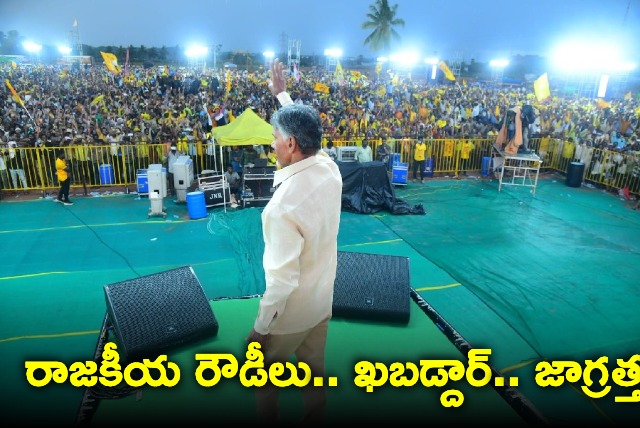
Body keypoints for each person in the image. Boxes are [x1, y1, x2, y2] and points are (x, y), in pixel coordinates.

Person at [246, 58, 342, 425]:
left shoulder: (281, 207)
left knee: (264, 380)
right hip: (321, 302)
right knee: (315, 375)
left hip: (288, 317)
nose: (272, 146)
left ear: (290, 144)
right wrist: (281, 95)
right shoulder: (328, 170)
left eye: (275, 139)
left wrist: (260, 328)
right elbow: (307, 131)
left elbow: (281, 282)